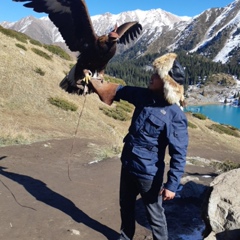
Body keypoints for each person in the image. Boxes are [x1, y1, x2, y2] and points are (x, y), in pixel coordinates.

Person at [89, 52, 189, 240]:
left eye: (157, 76)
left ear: (167, 82)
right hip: (128, 165)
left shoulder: (175, 115)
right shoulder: (143, 95)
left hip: (149, 174)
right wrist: (96, 82)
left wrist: (172, 185)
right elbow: (119, 90)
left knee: (155, 216)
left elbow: (179, 154)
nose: (151, 77)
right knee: (125, 207)